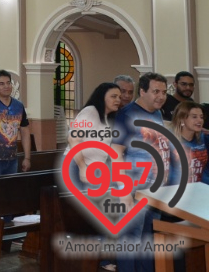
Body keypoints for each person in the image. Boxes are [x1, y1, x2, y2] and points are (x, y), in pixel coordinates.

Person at [112, 72, 170, 272]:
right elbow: (116, 153)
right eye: (155, 91)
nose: (161, 96)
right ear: (143, 91)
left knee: (149, 237)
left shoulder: (157, 113)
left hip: (154, 186)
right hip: (134, 186)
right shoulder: (127, 114)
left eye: (163, 92)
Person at [66, 82, 121, 187]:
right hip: (78, 165)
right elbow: (73, 139)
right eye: (114, 96)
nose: (118, 100)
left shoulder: (106, 117)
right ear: (102, 97)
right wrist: (82, 168)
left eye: (119, 97)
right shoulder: (90, 111)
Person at [0, 70, 31, 175]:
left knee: (10, 189)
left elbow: (24, 130)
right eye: (1, 84)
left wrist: (27, 157)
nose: (6, 86)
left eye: (8, 83)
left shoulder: (18, 105)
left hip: (12, 158)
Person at [170, 101, 209, 184]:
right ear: (182, 119)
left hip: (202, 189)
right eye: (194, 117)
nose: (200, 120)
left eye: (201, 117)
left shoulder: (204, 139)